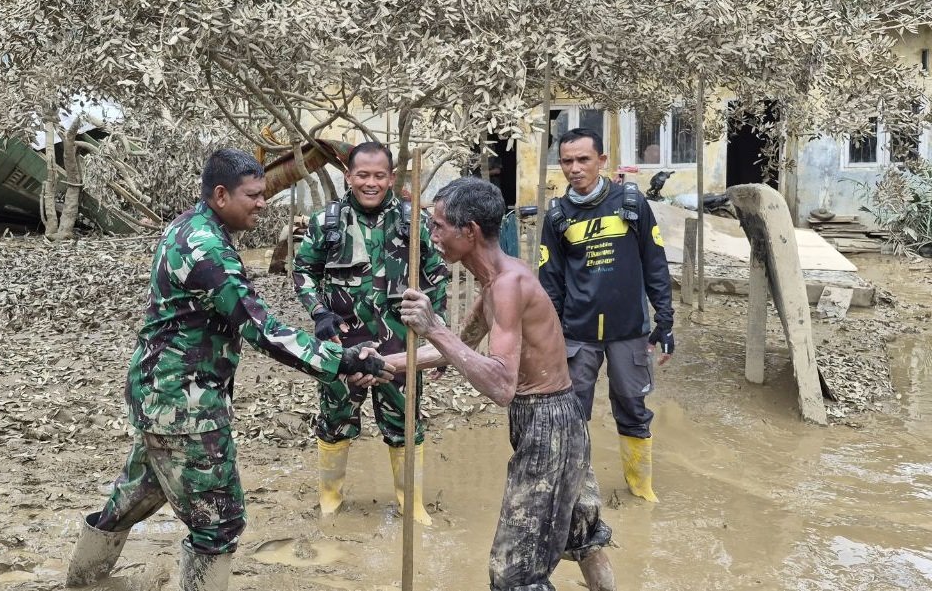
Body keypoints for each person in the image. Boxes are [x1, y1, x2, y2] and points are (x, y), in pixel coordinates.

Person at [65, 149, 393, 591]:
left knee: (132, 500)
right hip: (185, 406)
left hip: (160, 394)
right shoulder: (208, 251)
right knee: (220, 524)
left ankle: (83, 582)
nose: (263, 203)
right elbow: (260, 328)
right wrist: (344, 360)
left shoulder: (190, 226)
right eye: (254, 196)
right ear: (221, 195)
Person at [396, 177, 616, 591]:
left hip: (549, 425)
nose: (433, 235)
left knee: (513, 573)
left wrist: (434, 330)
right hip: (559, 419)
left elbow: (500, 386)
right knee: (581, 534)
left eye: (440, 226)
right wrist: (371, 362)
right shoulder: (492, 283)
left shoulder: (508, 284)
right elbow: (456, 350)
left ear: (470, 231)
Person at [292, 141, 448, 524]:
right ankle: (330, 499)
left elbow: (437, 277)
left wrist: (438, 337)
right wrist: (319, 312)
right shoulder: (325, 222)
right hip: (341, 348)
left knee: (405, 424)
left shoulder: (414, 221)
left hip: (401, 346)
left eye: (380, 175)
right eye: (363, 175)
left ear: (392, 178)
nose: (371, 182)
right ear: (349, 175)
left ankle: (411, 503)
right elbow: (303, 271)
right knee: (334, 421)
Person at [539, 128, 675, 503]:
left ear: (601, 161)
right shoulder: (556, 216)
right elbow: (549, 280)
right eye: (567, 161)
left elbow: (655, 263)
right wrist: (549, 333)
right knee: (571, 409)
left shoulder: (631, 203)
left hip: (629, 329)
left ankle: (640, 486)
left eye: (583, 160)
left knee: (632, 403)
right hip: (577, 331)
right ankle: (576, 488)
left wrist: (665, 321)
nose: (574, 168)